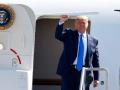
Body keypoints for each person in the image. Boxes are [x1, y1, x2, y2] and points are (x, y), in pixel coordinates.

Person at [55, 15, 100, 90]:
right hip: (69, 72)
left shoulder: (94, 41)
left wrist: (96, 78)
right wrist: (61, 21)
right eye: (78, 23)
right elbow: (58, 35)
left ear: (87, 24)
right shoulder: (69, 34)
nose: (81, 24)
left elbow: (95, 61)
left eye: (83, 22)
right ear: (75, 25)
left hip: (84, 72)